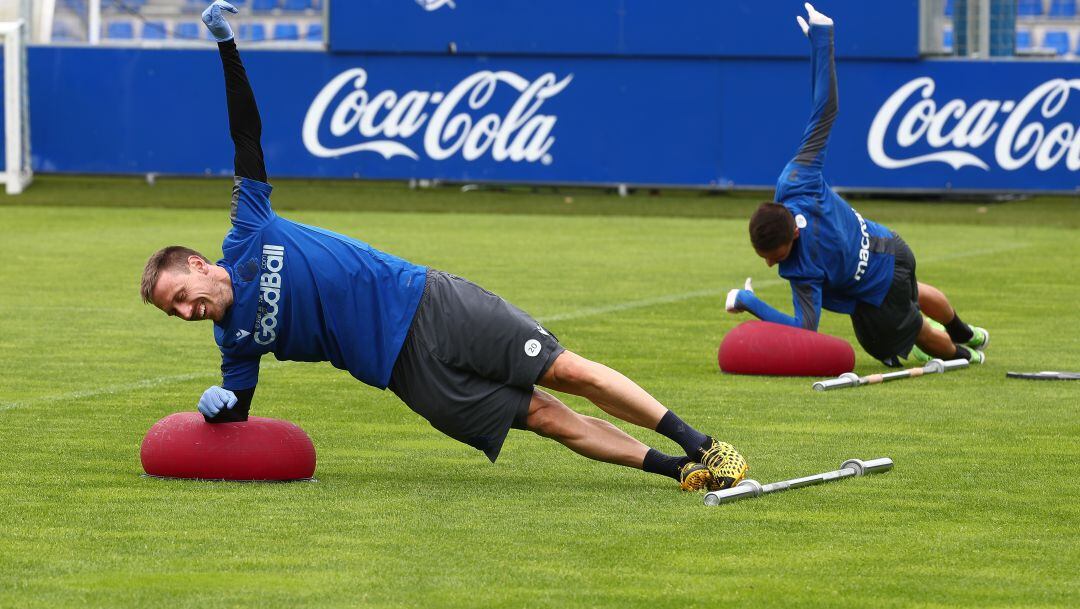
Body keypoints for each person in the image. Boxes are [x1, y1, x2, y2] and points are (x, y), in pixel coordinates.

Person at [140, 2, 747, 492]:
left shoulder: (247, 229)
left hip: (427, 301)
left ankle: (700, 442)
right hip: (405, 373)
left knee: (564, 370)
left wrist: (226, 47)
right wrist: (220, 411)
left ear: (197, 264)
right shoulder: (235, 340)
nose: (189, 312)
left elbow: (246, 133)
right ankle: (678, 470)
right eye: (177, 313)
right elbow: (239, 412)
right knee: (543, 418)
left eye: (183, 297)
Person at [725, 4, 989, 369]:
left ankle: (965, 355)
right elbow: (825, 110)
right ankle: (964, 331)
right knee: (914, 291)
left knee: (914, 333)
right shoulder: (798, 181)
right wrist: (823, 40)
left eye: (775, 255)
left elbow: (805, 327)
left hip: (878, 291)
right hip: (894, 247)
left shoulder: (803, 268)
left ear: (794, 239)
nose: (771, 263)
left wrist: (748, 299)